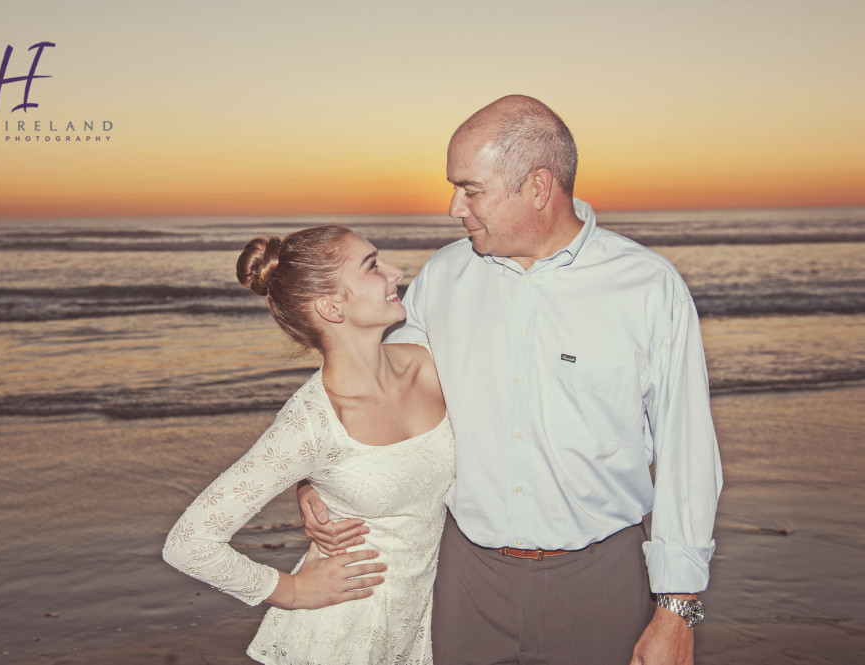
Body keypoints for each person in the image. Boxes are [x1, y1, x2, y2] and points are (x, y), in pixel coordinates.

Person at [299, 96, 723, 665]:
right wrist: (320, 478)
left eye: (471, 190)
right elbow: (380, 399)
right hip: (465, 578)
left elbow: (685, 454)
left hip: (601, 578)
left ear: (539, 187)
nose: (454, 207)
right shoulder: (442, 278)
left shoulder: (648, 289)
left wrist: (677, 609)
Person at [162, 225, 453, 664]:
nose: (395, 272)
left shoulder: (432, 362)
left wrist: (307, 486)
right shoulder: (311, 424)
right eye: (372, 266)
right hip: (341, 639)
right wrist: (292, 590)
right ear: (332, 306)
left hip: (425, 627)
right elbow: (189, 542)